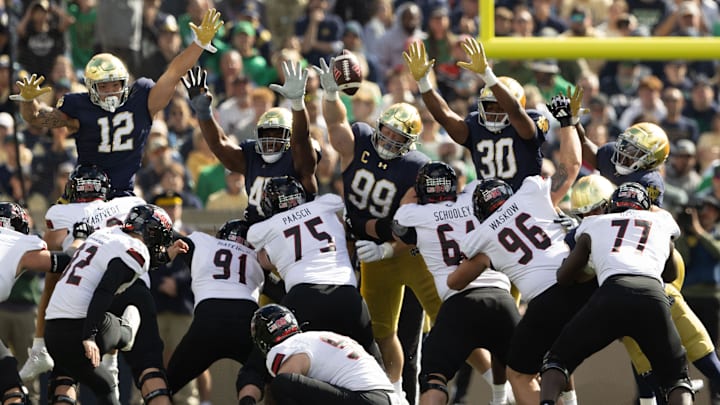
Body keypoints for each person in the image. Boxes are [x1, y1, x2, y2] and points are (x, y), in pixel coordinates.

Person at [314, 55, 440, 403]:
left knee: (426, 329)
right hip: (361, 243)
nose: (387, 138)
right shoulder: (361, 140)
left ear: (410, 142)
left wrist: (387, 246)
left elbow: (415, 227)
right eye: (385, 129)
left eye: (397, 136)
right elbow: (337, 125)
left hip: (400, 248)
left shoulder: (416, 167)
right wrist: (329, 94)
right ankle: (391, 391)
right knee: (378, 331)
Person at [446, 94, 585, 404]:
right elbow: (572, 165)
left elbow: (455, 281)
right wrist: (568, 123)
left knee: (519, 373)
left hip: (545, 299)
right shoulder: (533, 193)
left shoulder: (481, 236)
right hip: (581, 283)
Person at [11, 8, 223, 198]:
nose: (111, 91)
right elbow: (37, 118)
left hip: (122, 194)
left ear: (125, 82)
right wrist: (28, 101)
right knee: (54, 233)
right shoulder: (79, 105)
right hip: (84, 193)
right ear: (91, 86)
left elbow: (174, 72)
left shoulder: (141, 97)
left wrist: (198, 44)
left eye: (116, 85)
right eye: (104, 86)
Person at [540, 183, 694, 405]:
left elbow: (564, 277)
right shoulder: (662, 222)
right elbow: (671, 274)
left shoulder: (595, 223)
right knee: (677, 380)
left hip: (611, 296)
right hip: (652, 297)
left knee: (556, 361)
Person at [570, 175, 720, 404]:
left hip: (638, 300)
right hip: (663, 294)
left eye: (592, 210)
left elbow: (572, 277)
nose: (589, 218)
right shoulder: (654, 218)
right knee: (683, 370)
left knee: (665, 377)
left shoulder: (591, 231)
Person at [393, 162, 520, 405]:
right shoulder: (473, 196)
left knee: (434, 379)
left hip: (457, 304)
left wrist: (416, 192)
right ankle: (501, 398)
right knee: (527, 375)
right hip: (500, 297)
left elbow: (400, 225)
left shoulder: (415, 216)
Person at [44, 204, 188, 405]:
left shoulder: (105, 234)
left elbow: (123, 265)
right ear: (152, 232)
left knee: (104, 388)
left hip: (52, 331)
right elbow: (105, 290)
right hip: (81, 326)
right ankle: (126, 332)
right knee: (127, 327)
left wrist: (164, 257)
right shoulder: (135, 250)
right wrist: (89, 336)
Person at [20, 165, 145, 382]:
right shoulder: (127, 204)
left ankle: (39, 345)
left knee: (55, 271)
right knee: (112, 284)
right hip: (122, 273)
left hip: (78, 285)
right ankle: (112, 362)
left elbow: (53, 243)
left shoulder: (62, 212)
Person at [247, 176, 380, 362]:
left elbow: (263, 258)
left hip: (304, 297)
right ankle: (391, 390)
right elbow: (337, 207)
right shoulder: (325, 205)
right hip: (346, 293)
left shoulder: (266, 228)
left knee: (284, 361)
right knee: (370, 358)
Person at [403, 37, 553, 191]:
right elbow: (445, 116)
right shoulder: (476, 124)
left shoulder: (532, 120)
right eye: (490, 106)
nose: (493, 112)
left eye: (500, 107)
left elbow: (515, 111)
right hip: (488, 202)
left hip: (524, 200)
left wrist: (487, 75)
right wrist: (423, 83)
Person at [182, 61, 318, 224]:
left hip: (297, 230)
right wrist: (204, 113)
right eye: (266, 133)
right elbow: (219, 144)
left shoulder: (300, 160)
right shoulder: (252, 156)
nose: (271, 139)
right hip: (260, 234)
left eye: (277, 132)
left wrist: (297, 103)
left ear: (290, 136)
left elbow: (302, 139)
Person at [165, 219, 265, 399]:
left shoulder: (203, 242)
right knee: (268, 376)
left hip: (208, 319)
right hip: (246, 320)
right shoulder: (257, 256)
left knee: (168, 383)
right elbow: (284, 289)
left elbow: (168, 233)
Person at [0, 202, 74, 405]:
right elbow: (64, 262)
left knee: (7, 374)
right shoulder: (21, 244)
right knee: (10, 385)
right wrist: (80, 239)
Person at [250, 303, 397, 405]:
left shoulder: (289, 347)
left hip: (365, 398)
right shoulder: (319, 336)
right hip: (389, 398)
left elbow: (286, 380)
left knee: (282, 384)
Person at [578, 120, 669, 207]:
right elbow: (587, 150)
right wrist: (573, 123)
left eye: (634, 150)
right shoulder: (611, 152)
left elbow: (647, 216)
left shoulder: (649, 182)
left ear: (650, 160)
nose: (625, 153)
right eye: (626, 145)